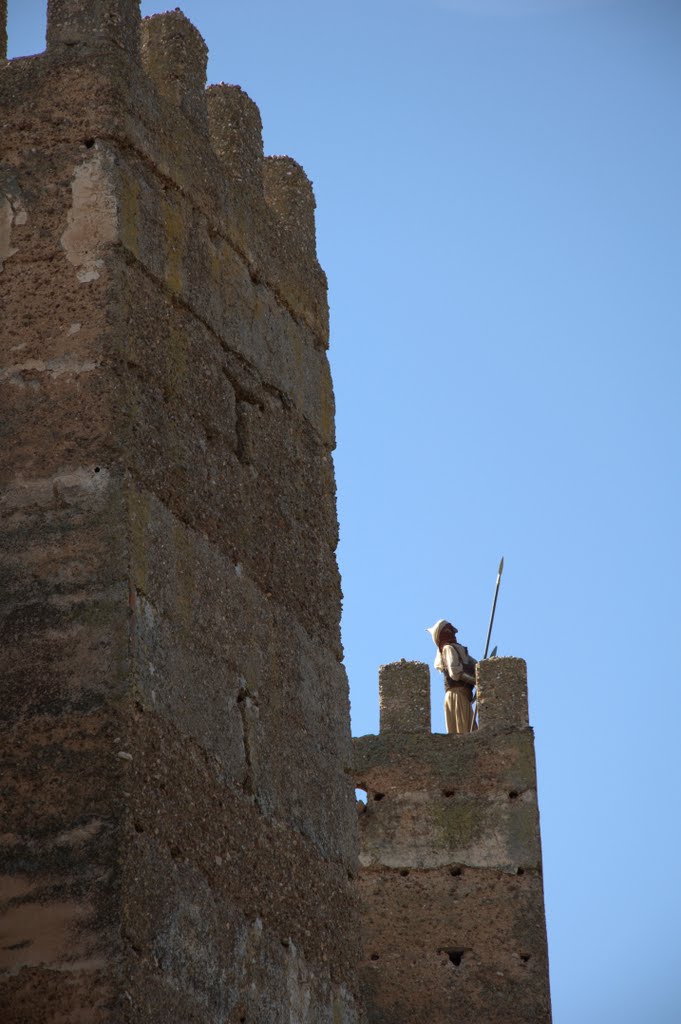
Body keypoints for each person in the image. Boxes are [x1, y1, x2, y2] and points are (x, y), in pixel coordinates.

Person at [426, 619, 477, 734]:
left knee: (471, 731)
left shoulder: (459, 649)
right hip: (456, 695)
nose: (451, 632)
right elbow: (455, 673)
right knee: (465, 733)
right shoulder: (448, 648)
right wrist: (476, 681)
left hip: (464, 695)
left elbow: (477, 666)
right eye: (447, 630)